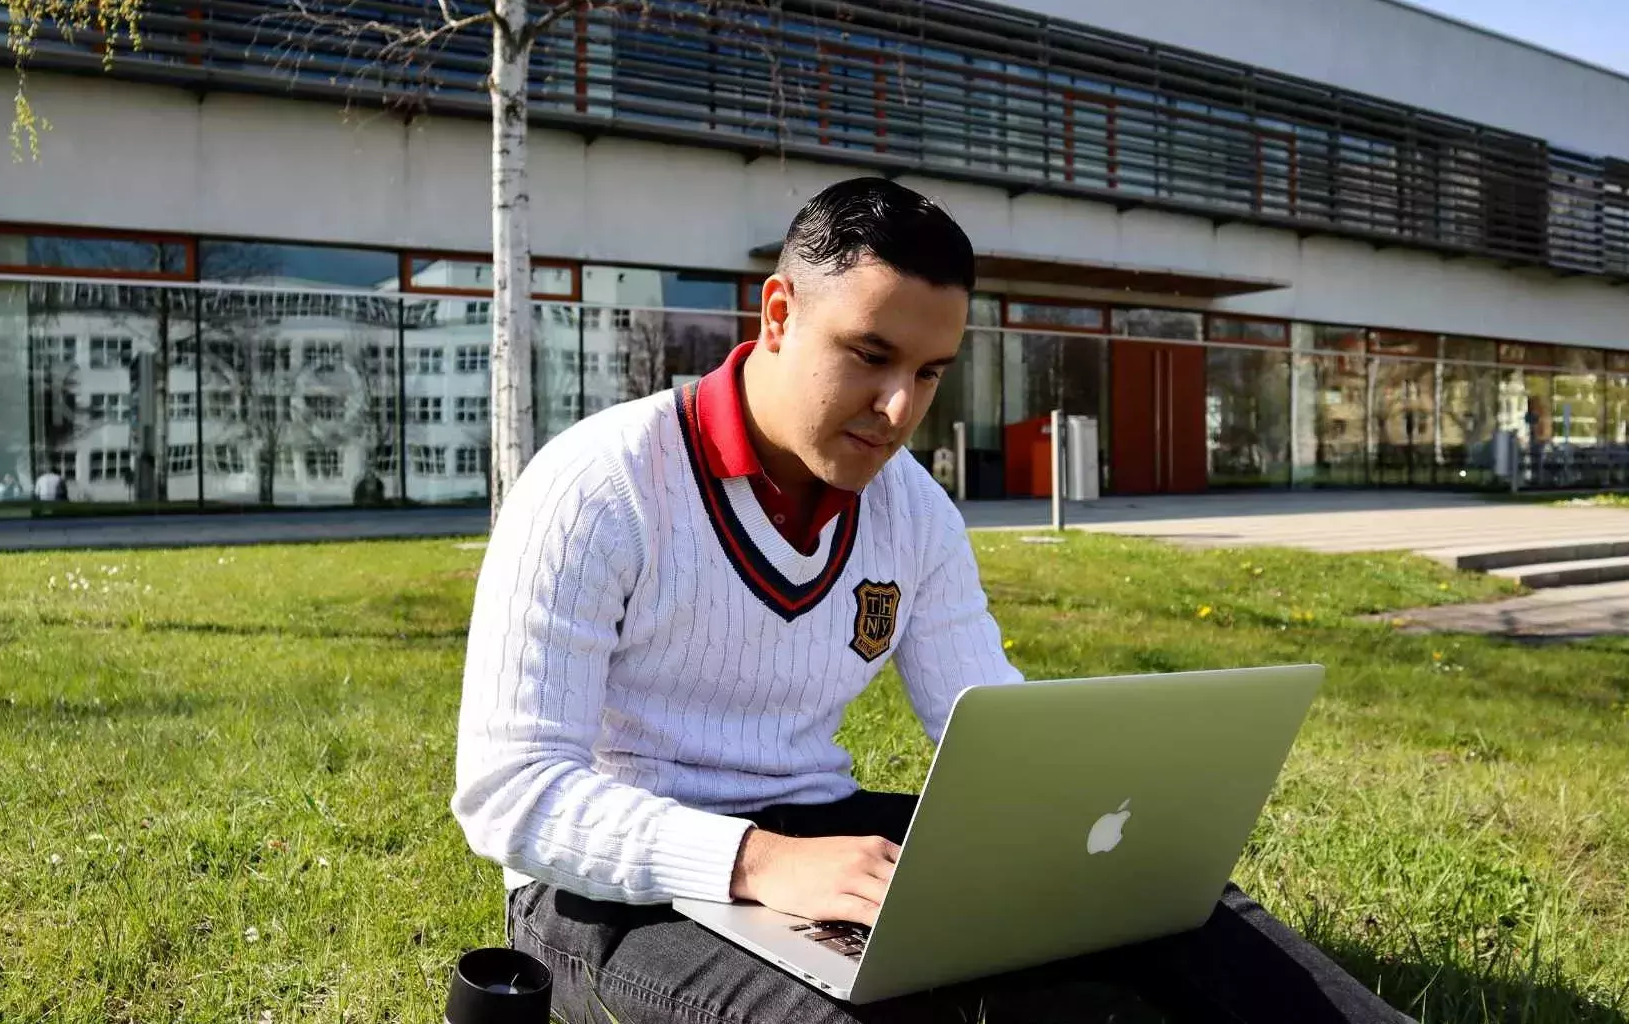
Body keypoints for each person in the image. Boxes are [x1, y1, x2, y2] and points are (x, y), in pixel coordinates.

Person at [453, 178, 1409, 1024]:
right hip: (606, 890)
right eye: (870, 355)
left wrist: (1083, 821)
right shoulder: (599, 486)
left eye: (929, 373)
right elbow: (511, 792)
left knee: (1159, 895)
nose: (899, 408)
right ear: (778, 314)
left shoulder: (913, 510)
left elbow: (982, 713)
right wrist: (759, 861)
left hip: (820, 828)